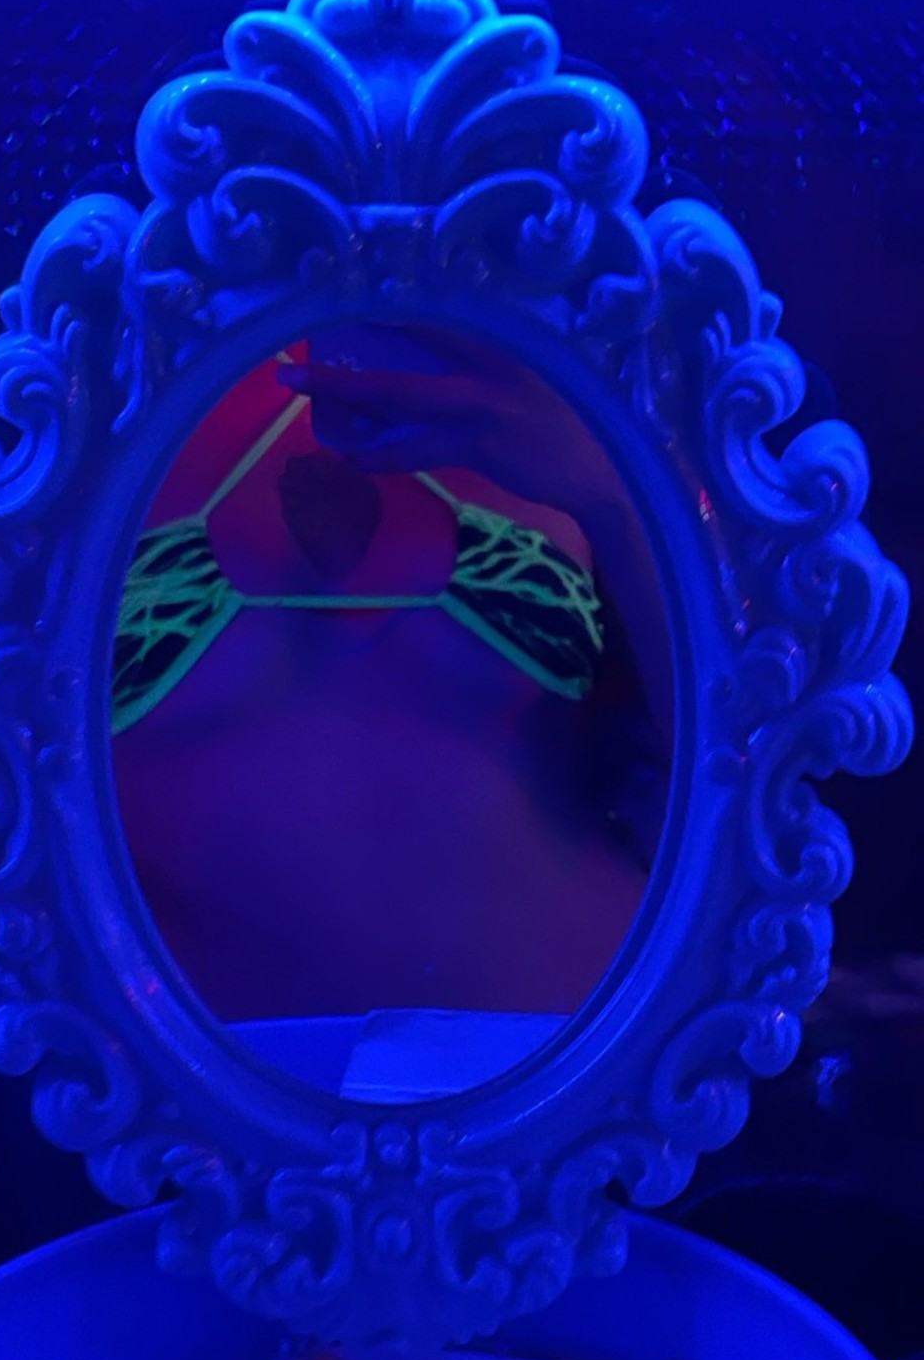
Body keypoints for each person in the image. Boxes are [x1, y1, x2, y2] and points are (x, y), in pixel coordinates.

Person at [110, 324, 671, 1025]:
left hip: (578, 1043)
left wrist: (618, 489)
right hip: (177, 1062)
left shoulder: (595, 340)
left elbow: (736, 757)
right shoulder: (95, 359)